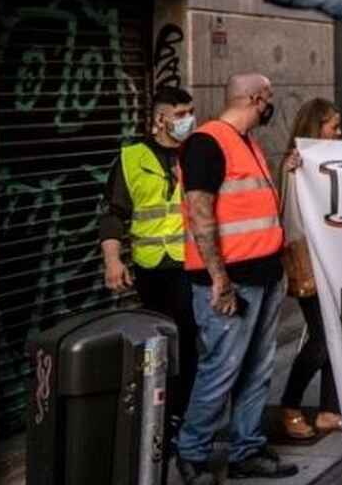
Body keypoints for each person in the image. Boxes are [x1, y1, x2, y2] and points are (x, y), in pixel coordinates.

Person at [174, 73, 295, 483]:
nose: (270, 105)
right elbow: (199, 213)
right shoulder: (207, 143)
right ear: (256, 98)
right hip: (231, 282)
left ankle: (247, 450)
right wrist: (219, 280)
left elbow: (254, 208)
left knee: (257, 370)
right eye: (269, 98)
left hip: (265, 274)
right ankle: (191, 452)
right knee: (221, 369)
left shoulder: (248, 143)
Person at [98, 86, 199, 446]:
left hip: (191, 263)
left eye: (191, 112)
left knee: (189, 340)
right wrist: (113, 260)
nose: (189, 120)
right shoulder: (131, 158)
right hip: (151, 269)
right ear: (160, 118)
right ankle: (162, 415)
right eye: (181, 114)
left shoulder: (197, 152)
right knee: (162, 344)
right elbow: (113, 214)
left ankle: (182, 417)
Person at [277, 99, 342, 442]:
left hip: (332, 264)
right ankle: (290, 404)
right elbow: (294, 222)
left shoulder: (322, 160)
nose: (338, 132)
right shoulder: (297, 163)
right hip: (311, 264)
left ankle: (329, 410)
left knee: (334, 337)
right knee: (322, 339)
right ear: (317, 126)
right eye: (334, 125)